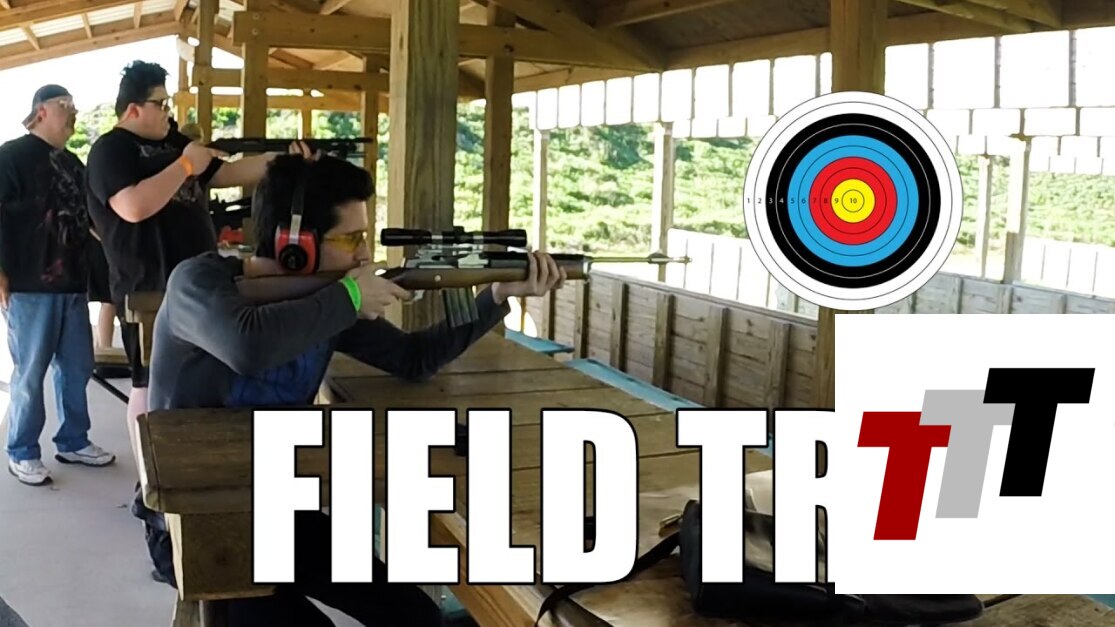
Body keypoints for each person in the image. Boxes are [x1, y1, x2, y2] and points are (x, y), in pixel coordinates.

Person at [144, 153, 566, 624]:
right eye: (351, 239)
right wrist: (348, 296)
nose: (364, 255)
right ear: (294, 244)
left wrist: (494, 296)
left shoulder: (326, 302)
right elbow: (247, 346)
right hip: (196, 525)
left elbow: (413, 358)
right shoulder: (197, 282)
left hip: (279, 511)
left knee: (415, 617)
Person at [84, 60, 308, 461]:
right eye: (160, 103)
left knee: (204, 376)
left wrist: (284, 159)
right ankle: (152, 475)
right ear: (134, 109)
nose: (168, 111)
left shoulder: (173, 142)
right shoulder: (110, 150)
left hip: (201, 283)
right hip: (147, 287)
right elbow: (133, 206)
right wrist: (186, 164)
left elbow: (229, 173)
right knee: (148, 385)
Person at [0, 85, 116, 486]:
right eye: (64, 105)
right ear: (40, 112)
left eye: (74, 105)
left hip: (73, 284)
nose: (73, 112)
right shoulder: (9, 156)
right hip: (28, 285)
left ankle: (73, 440)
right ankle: (22, 451)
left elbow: (91, 218)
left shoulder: (73, 163)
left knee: (78, 366)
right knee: (31, 373)